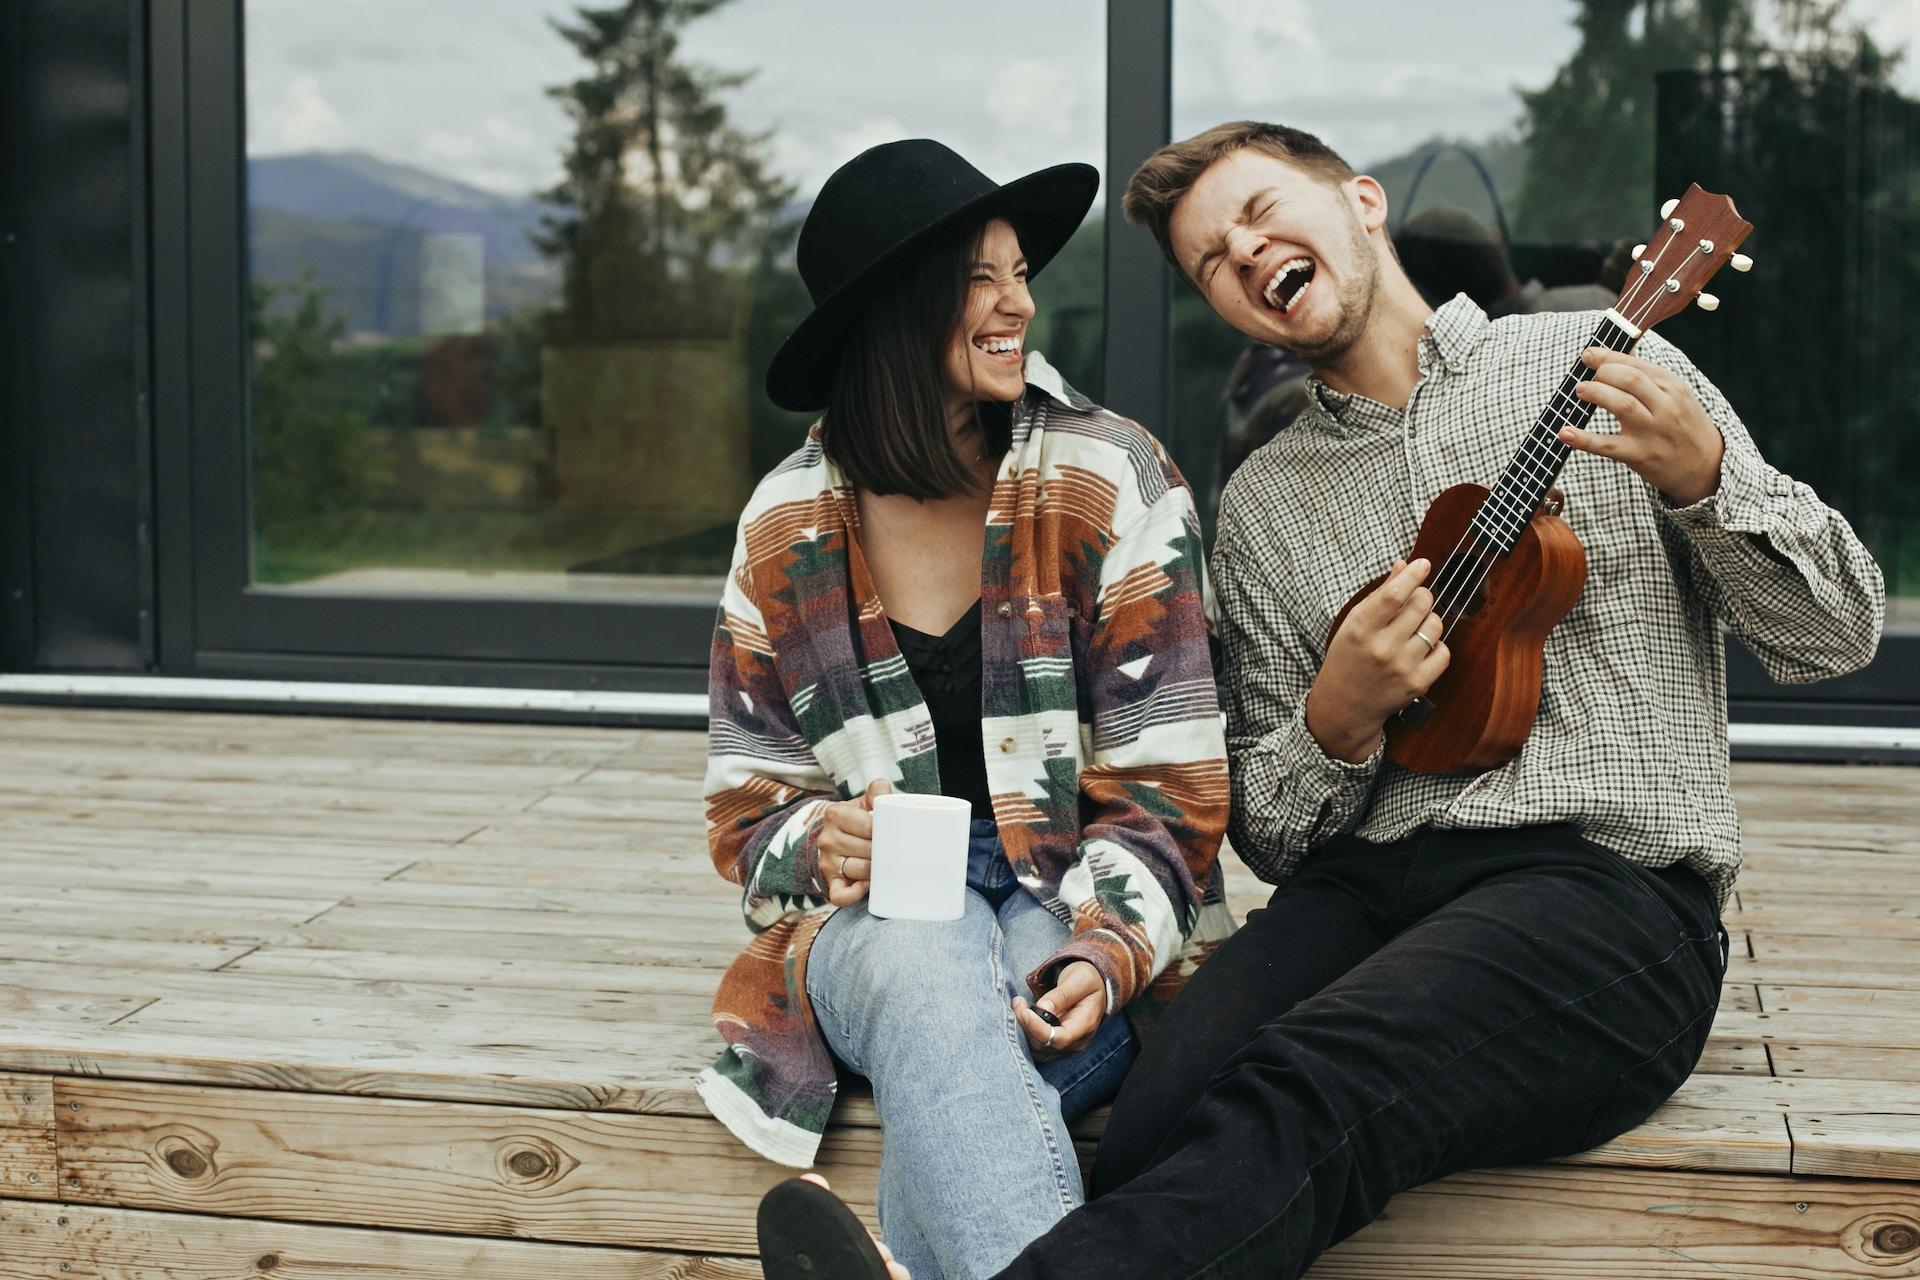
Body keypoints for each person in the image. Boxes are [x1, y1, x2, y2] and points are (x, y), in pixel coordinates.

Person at [755, 120, 1884, 1280]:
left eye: (1256, 214)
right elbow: (1273, 834)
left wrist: (1705, 481)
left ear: (1362, 202)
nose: (1240, 255)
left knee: (1314, 1076)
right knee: (1160, 1105)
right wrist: (1334, 719)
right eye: (1208, 262)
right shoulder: (1263, 507)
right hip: (1368, 890)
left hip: (1606, 895)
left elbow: (1835, 631)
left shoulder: (1604, 368)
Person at [701, 138, 1234, 1280]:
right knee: (925, 955)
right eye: (979, 277)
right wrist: (820, 840)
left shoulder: (1111, 478)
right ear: (895, 313)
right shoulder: (785, 526)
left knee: (992, 1022)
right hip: (879, 928)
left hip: (1078, 886)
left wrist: (1105, 951)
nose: (1018, 303)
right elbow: (749, 818)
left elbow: (1170, 796)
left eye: (1020, 272)